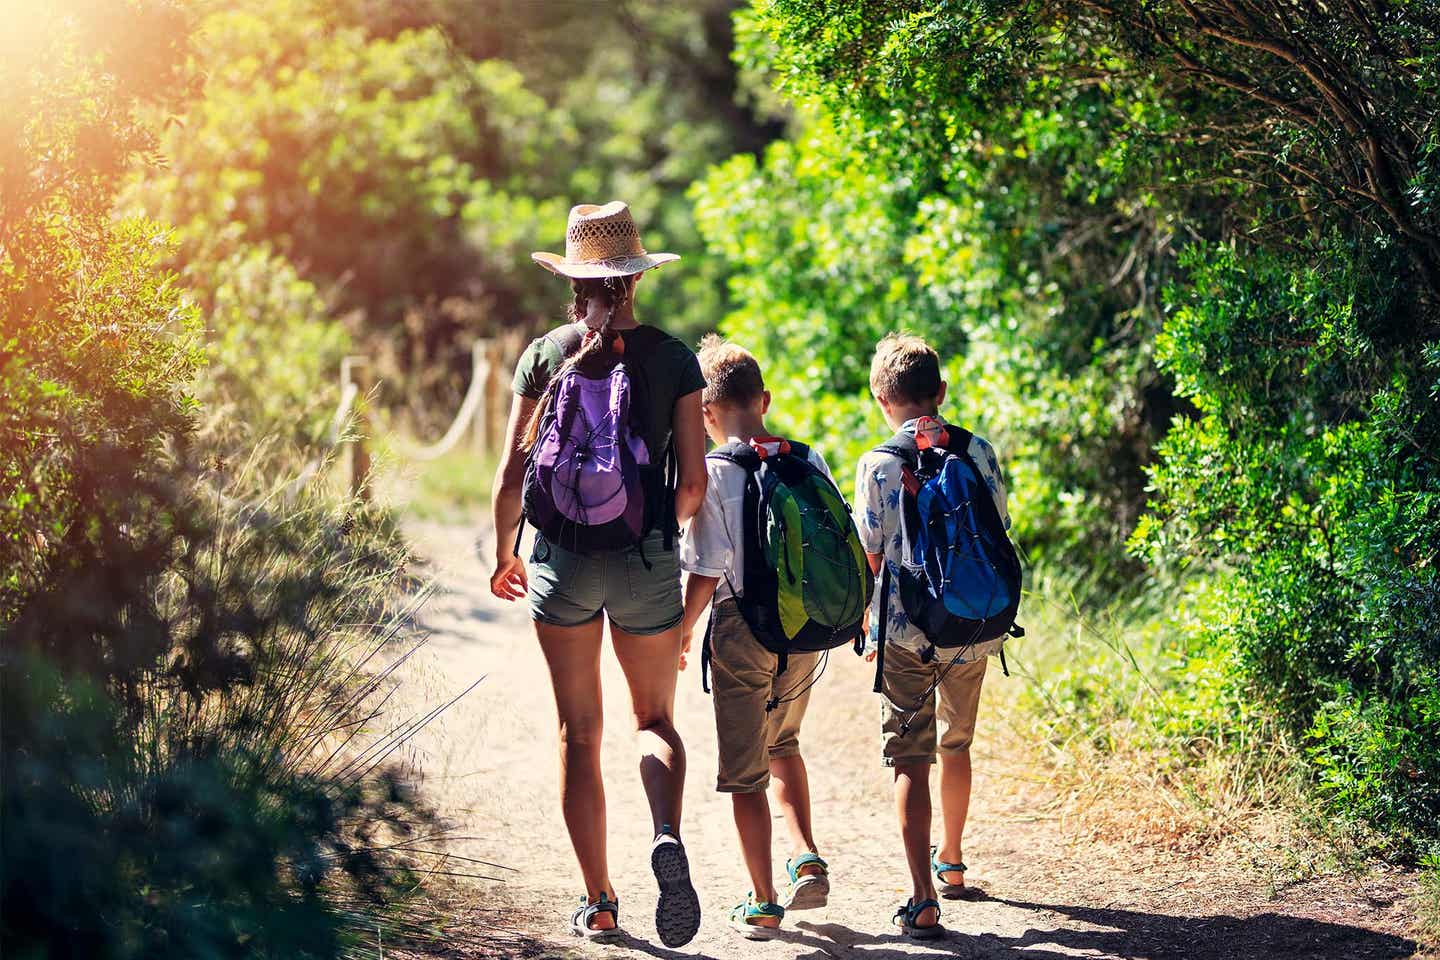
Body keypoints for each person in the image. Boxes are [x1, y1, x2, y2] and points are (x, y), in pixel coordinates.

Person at [489, 201, 707, 947]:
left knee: (579, 734)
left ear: (574, 280)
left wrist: (504, 554)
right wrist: (653, 539)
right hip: (644, 563)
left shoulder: (544, 353)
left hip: (561, 565)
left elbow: (511, 473)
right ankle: (666, 833)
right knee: (654, 722)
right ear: (635, 278)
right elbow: (693, 489)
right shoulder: (675, 358)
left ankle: (601, 901)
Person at [853, 333, 1012, 939]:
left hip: (905, 631)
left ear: (879, 397)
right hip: (972, 624)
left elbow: (870, 553)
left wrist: (863, 622)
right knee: (958, 743)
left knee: (909, 758)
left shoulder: (879, 464)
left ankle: (921, 898)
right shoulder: (979, 452)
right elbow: (999, 531)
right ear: (940, 392)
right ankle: (952, 859)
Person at [678, 336, 837, 939]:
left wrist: (686, 631)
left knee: (745, 774)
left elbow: (708, 565)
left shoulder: (713, 473)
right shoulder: (808, 460)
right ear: (764, 399)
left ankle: (764, 900)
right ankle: (806, 854)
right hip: (804, 631)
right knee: (785, 743)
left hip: (743, 631)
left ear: (705, 414)